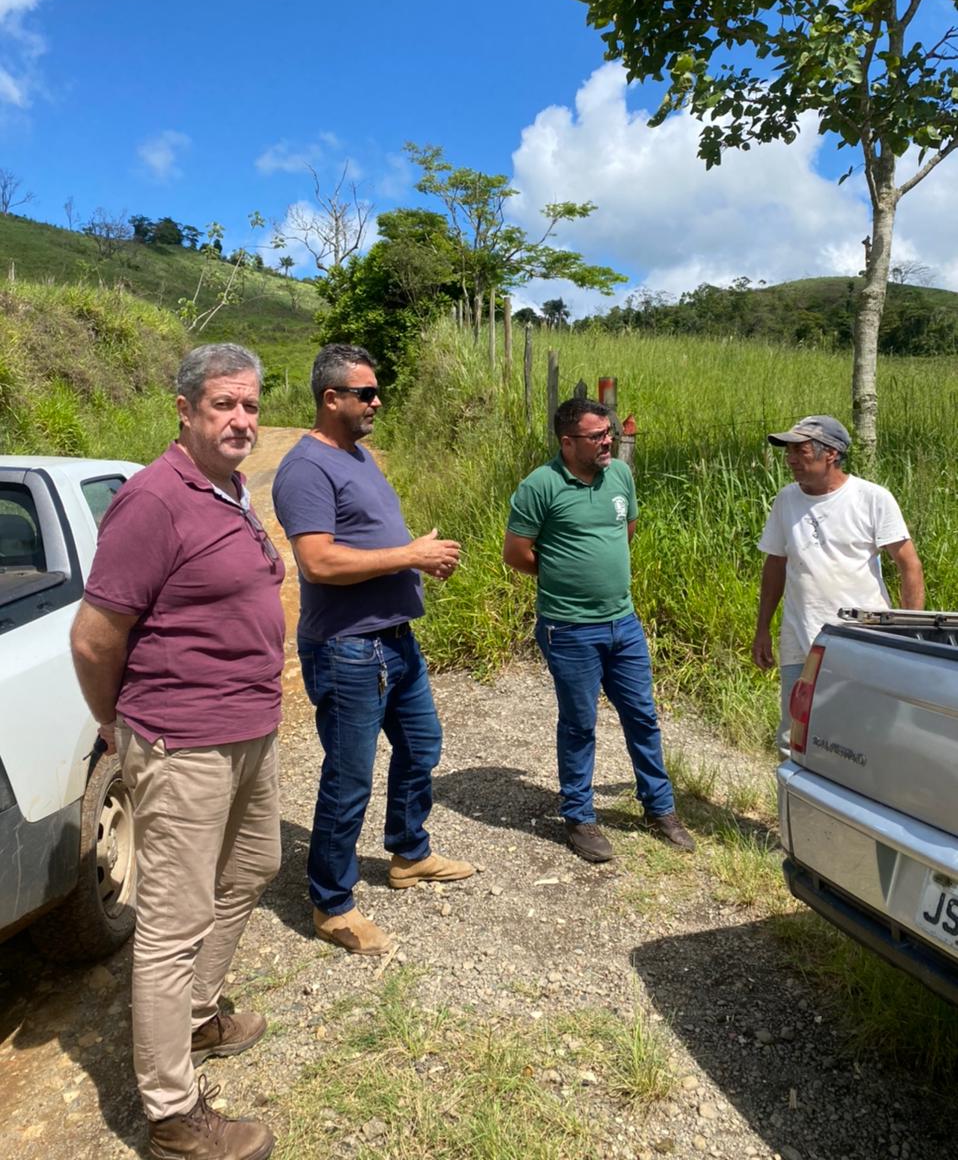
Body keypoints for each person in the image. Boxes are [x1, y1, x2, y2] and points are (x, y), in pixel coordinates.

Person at [70, 343, 284, 1160]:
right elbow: (94, 639)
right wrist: (118, 727)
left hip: (250, 727)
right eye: (224, 404)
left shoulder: (229, 489)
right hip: (182, 739)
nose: (241, 420)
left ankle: (196, 1017)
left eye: (252, 406)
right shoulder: (153, 501)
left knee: (254, 867)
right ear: (186, 411)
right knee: (171, 921)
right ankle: (171, 1115)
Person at [272, 343, 474, 957]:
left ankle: (408, 854)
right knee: (349, 774)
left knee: (422, 745)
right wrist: (411, 554)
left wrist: (414, 558)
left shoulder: (358, 456)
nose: (377, 401)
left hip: (393, 639)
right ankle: (331, 903)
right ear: (331, 398)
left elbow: (366, 542)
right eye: (366, 392)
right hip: (348, 649)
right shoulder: (306, 469)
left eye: (375, 390)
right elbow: (318, 560)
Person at [502, 397, 694, 864]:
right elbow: (516, 553)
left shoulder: (620, 475)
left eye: (608, 431)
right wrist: (565, 577)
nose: (608, 440)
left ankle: (659, 808)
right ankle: (579, 816)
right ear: (568, 442)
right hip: (568, 629)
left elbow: (625, 530)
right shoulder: (539, 487)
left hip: (622, 622)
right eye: (596, 435)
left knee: (642, 716)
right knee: (579, 724)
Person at [752, 414, 924, 751]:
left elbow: (910, 567)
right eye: (788, 452)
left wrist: (910, 636)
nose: (789, 460)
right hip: (802, 643)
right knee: (795, 739)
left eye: (799, 451)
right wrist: (762, 629)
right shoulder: (786, 500)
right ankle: (797, 804)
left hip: (863, 644)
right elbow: (775, 564)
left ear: (830, 453)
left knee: (860, 742)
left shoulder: (872, 499)